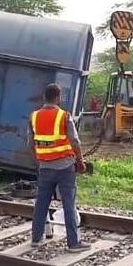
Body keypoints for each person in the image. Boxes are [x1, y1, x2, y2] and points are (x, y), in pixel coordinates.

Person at [28, 83, 91, 253]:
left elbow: (30, 143)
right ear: (58, 97)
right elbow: (75, 141)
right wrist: (80, 160)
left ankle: (36, 238)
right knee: (69, 203)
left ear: (44, 97)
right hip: (65, 167)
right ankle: (73, 243)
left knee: (41, 203)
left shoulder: (34, 116)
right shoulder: (64, 116)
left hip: (45, 167)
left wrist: (40, 161)